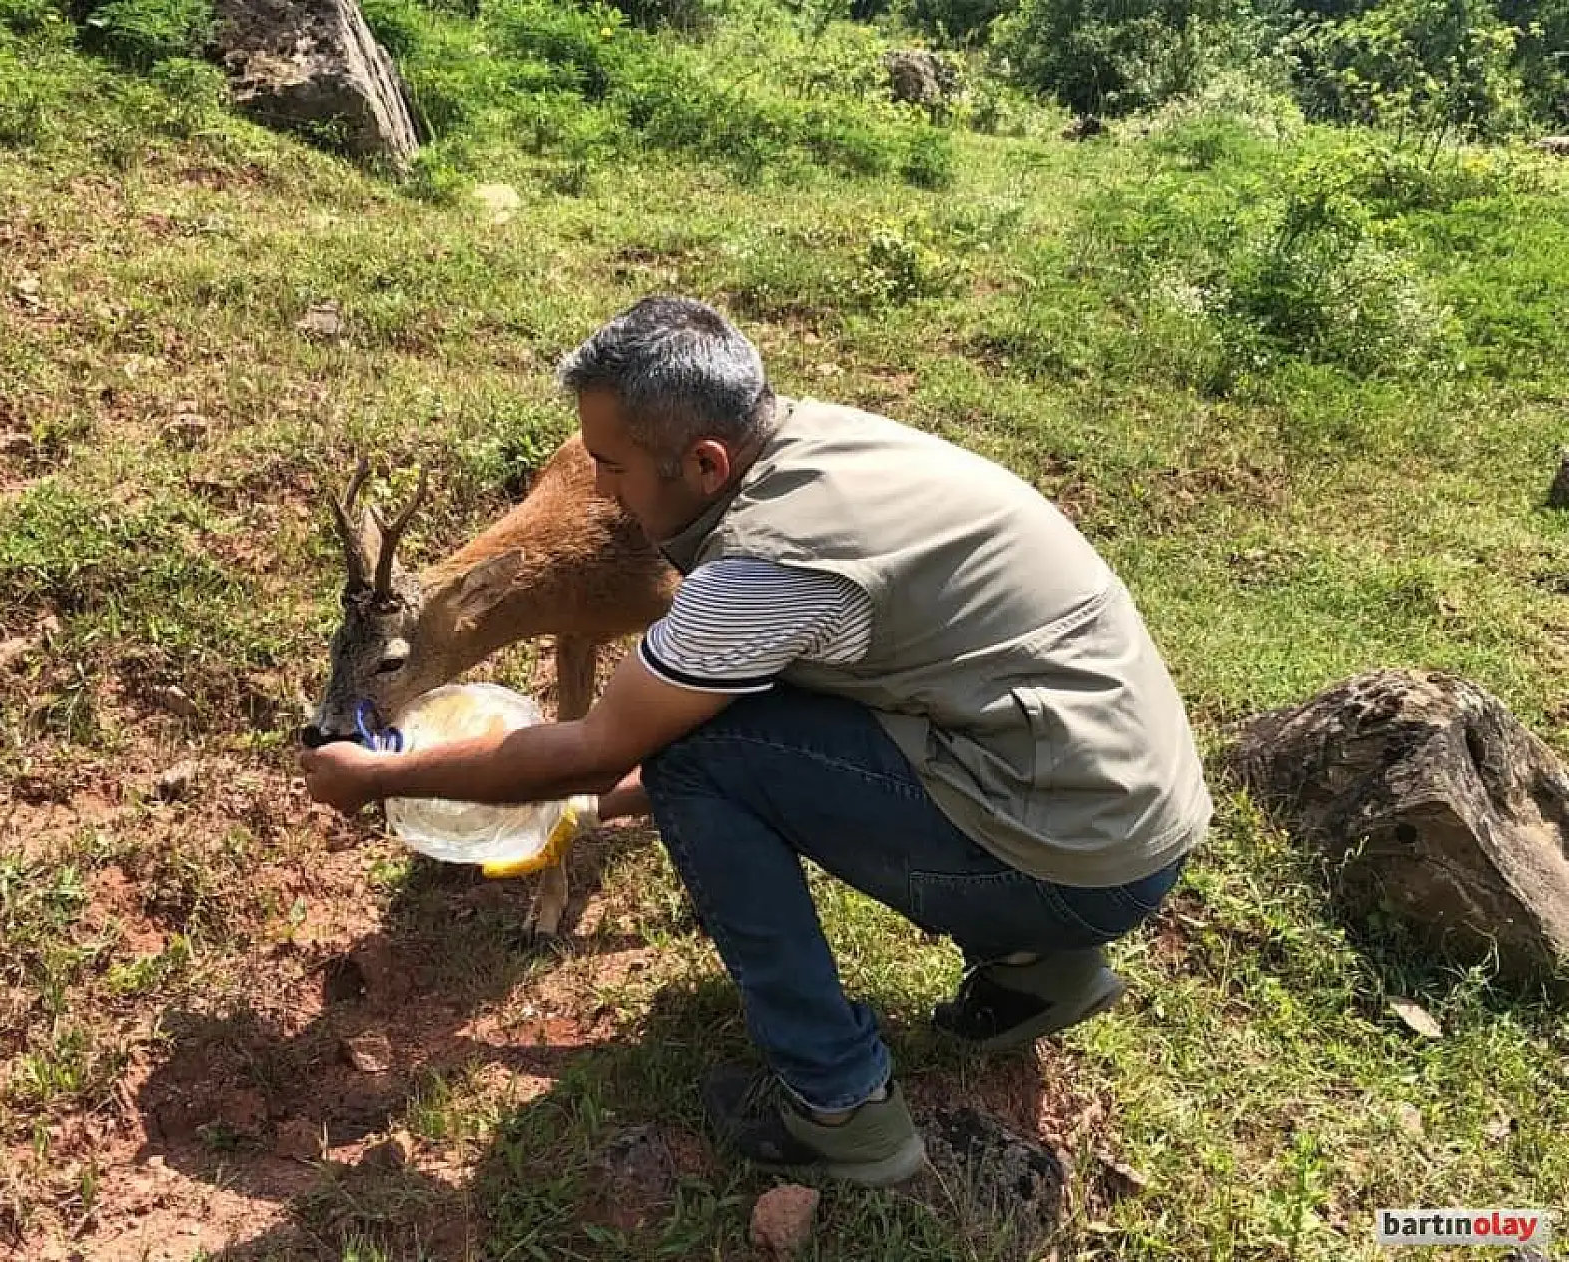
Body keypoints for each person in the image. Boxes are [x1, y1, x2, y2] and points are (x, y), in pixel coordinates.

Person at [300, 295, 1212, 1188]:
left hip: (1072, 854)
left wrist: (383, 779)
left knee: (692, 757)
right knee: (713, 725)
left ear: (702, 459)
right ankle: (1041, 971)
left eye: (611, 471)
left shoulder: (765, 570)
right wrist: (582, 807)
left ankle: (841, 1107)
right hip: (1124, 804)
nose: (600, 493)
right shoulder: (823, 439)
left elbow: (599, 749)